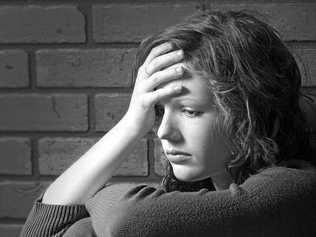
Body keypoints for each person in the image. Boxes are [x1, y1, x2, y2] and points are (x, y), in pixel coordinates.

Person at [20, 9, 316, 237]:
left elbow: (127, 220)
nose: (164, 132)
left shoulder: (297, 189)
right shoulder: (198, 198)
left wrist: (98, 198)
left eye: (190, 111)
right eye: (159, 111)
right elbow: (41, 230)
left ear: (249, 112)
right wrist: (131, 124)